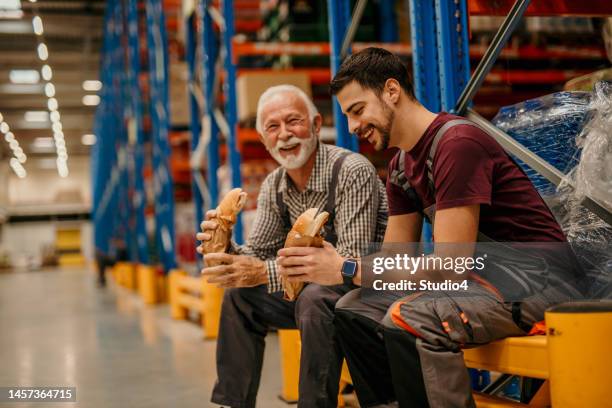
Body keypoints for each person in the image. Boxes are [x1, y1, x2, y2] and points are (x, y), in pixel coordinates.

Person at [278, 47, 585, 407]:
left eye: (357, 110)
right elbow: (392, 264)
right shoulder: (401, 168)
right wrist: (333, 266)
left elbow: (450, 269)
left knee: (411, 317)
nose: (353, 127)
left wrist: (346, 267)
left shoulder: (456, 143)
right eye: (347, 116)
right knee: (353, 309)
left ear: (392, 91)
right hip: (489, 279)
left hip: (540, 282)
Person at [197, 84, 388, 408]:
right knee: (240, 296)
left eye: (293, 121)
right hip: (313, 297)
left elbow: (350, 260)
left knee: (315, 298)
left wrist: (260, 271)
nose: (284, 134)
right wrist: (227, 249)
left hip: (367, 290)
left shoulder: (351, 170)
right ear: (263, 140)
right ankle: (233, 403)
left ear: (315, 125)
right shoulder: (275, 185)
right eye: (272, 127)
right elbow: (257, 253)